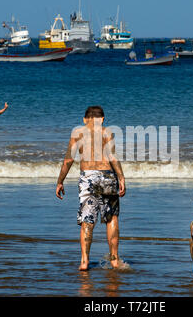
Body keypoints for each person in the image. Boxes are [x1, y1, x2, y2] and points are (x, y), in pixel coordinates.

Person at [56, 106, 126, 271]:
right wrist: (121, 177)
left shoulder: (77, 133)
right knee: (111, 218)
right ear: (102, 119)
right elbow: (113, 157)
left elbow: (68, 160)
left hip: (88, 177)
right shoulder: (107, 132)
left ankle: (84, 261)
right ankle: (114, 260)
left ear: (84, 119)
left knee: (87, 221)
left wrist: (60, 181)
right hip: (108, 175)